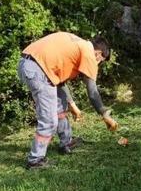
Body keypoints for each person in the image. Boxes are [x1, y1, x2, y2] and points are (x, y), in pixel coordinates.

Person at [18, 32, 119, 169]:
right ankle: (35, 160)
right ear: (98, 54)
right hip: (38, 70)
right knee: (49, 120)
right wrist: (105, 114)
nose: (98, 64)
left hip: (33, 64)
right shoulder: (89, 53)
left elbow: (60, 82)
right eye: (101, 61)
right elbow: (92, 92)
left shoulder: (78, 44)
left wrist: (72, 105)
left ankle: (66, 142)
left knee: (60, 105)